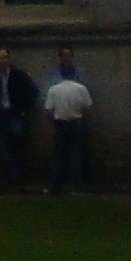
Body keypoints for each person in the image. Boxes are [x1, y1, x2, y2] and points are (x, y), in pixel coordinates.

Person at [0, 46, 41, 185]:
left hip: (15, 113)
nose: (2, 61)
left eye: (5, 57)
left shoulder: (18, 75)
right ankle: (13, 175)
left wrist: (24, 109)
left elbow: (32, 91)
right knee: (2, 145)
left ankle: (17, 173)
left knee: (16, 140)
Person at [44, 51, 93, 192]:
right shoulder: (81, 88)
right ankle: (76, 186)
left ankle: (54, 186)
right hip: (76, 122)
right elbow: (87, 108)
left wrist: (54, 121)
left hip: (60, 123)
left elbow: (48, 110)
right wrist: (81, 119)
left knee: (58, 156)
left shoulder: (54, 89)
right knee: (75, 156)